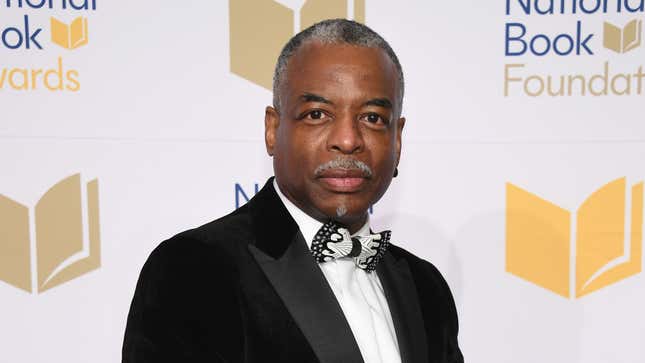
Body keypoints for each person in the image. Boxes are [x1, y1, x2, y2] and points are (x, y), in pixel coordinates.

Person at [122, 19, 463, 363]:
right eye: (317, 114)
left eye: (372, 118)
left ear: (397, 139)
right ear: (273, 130)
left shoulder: (425, 288)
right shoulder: (195, 269)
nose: (347, 140)